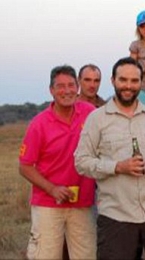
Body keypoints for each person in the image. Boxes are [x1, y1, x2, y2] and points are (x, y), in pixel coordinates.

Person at [74, 57, 145, 259]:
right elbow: (81, 161)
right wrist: (117, 167)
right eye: (123, 80)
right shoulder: (97, 118)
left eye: (134, 81)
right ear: (113, 81)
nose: (128, 86)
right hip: (116, 213)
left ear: (141, 83)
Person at [19, 65, 96, 259]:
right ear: (51, 90)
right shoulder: (39, 123)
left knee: (86, 255)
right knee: (46, 255)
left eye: (71, 85)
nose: (67, 90)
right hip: (48, 203)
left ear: (78, 88)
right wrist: (52, 189)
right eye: (60, 86)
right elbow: (25, 166)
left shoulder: (89, 112)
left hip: (83, 202)